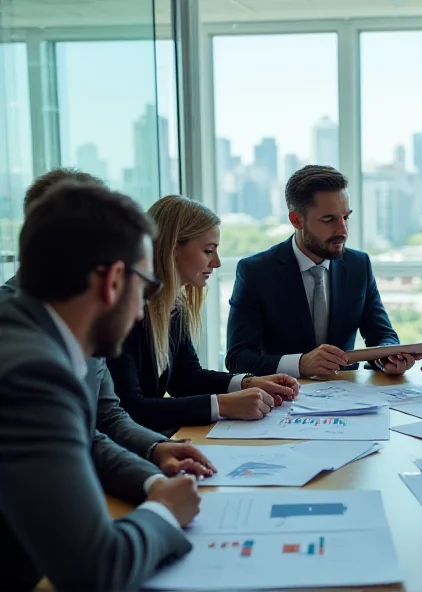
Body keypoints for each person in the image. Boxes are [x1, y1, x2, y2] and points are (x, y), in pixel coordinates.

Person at [0, 182, 199, 590]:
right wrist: (163, 512)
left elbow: (84, 436)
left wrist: (152, 482)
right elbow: (97, 569)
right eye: (146, 289)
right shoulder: (32, 372)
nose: (144, 313)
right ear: (112, 281)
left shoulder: (33, 332)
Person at [1, 168, 217, 478]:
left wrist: (154, 457)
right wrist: (160, 507)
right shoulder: (23, 352)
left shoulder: (84, 317)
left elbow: (104, 420)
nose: (138, 312)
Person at [107, 195, 300, 433]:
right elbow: (130, 408)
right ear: (173, 248)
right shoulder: (129, 313)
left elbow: (186, 378)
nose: (217, 263)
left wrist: (248, 382)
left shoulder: (174, 307)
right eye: (208, 251)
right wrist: (223, 405)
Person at [226, 165, 419, 379]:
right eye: (329, 220)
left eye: (346, 217)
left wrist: (388, 357)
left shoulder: (358, 265)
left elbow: (382, 334)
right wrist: (300, 363)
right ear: (296, 220)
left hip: (348, 399)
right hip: (281, 398)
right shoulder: (256, 272)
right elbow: (238, 358)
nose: (343, 230)